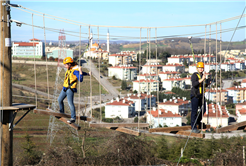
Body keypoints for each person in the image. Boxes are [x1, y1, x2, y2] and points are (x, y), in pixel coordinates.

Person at [58, 57, 90, 124]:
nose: (65, 66)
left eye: (65, 64)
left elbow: (80, 80)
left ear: (69, 64)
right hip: (65, 88)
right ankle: (61, 112)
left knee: (70, 103)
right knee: (59, 100)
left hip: (70, 89)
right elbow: (79, 72)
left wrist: (80, 71)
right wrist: (87, 74)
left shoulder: (75, 71)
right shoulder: (72, 68)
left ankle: (73, 118)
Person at [190, 62, 211, 133]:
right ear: (197, 68)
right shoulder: (194, 75)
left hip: (201, 96)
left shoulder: (203, 76)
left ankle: (198, 121)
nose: (201, 69)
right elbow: (194, 84)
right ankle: (193, 127)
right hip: (195, 96)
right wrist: (202, 79)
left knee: (204, 109)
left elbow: (203, 86)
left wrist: (207, 83)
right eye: (200, 68)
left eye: (202, 68)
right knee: (194, 111)